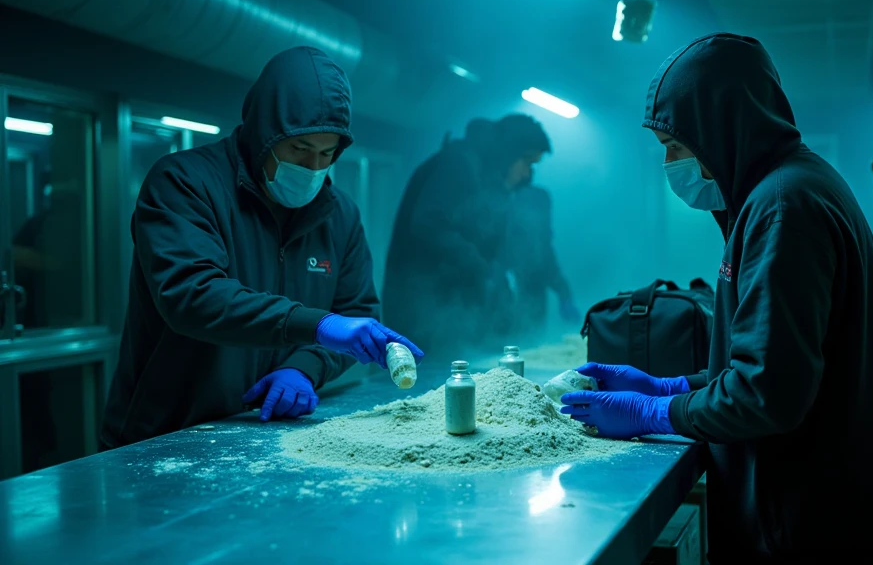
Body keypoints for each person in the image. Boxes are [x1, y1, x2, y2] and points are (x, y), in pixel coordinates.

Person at [559, 33, 873, 563]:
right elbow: (775, 360)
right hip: (822, 513)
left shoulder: (784, 207)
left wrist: (655, 411)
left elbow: (766, 392)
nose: (671, 165)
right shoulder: (791, 187)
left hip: (812, 529)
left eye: (676, 147)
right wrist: (675, 382)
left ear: (721, 126)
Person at [100, 46, 422, 450]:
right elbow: (192, 295)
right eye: (299, 149)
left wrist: (304, 367)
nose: (312, 168)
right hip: (167, 437)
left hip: (268, 436)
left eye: (326, 154)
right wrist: (318, 326)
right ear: (264, 132)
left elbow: (356, 312)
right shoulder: (183, 184)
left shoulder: (338, 215)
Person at [383, 114, 551, 355]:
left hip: (443, 307)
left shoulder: (475, 168)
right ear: (507, 153)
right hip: (423, 308)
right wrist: (481, 267)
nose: (527, 174)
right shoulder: (458, 165)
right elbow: (428, 223)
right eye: (526, 162)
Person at [504, 182, 580, 341]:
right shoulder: (505, 236)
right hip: (509, 310)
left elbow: (548, 265)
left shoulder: (541, 238)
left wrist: (564, 294)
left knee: (531, 341)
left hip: (533, 309)